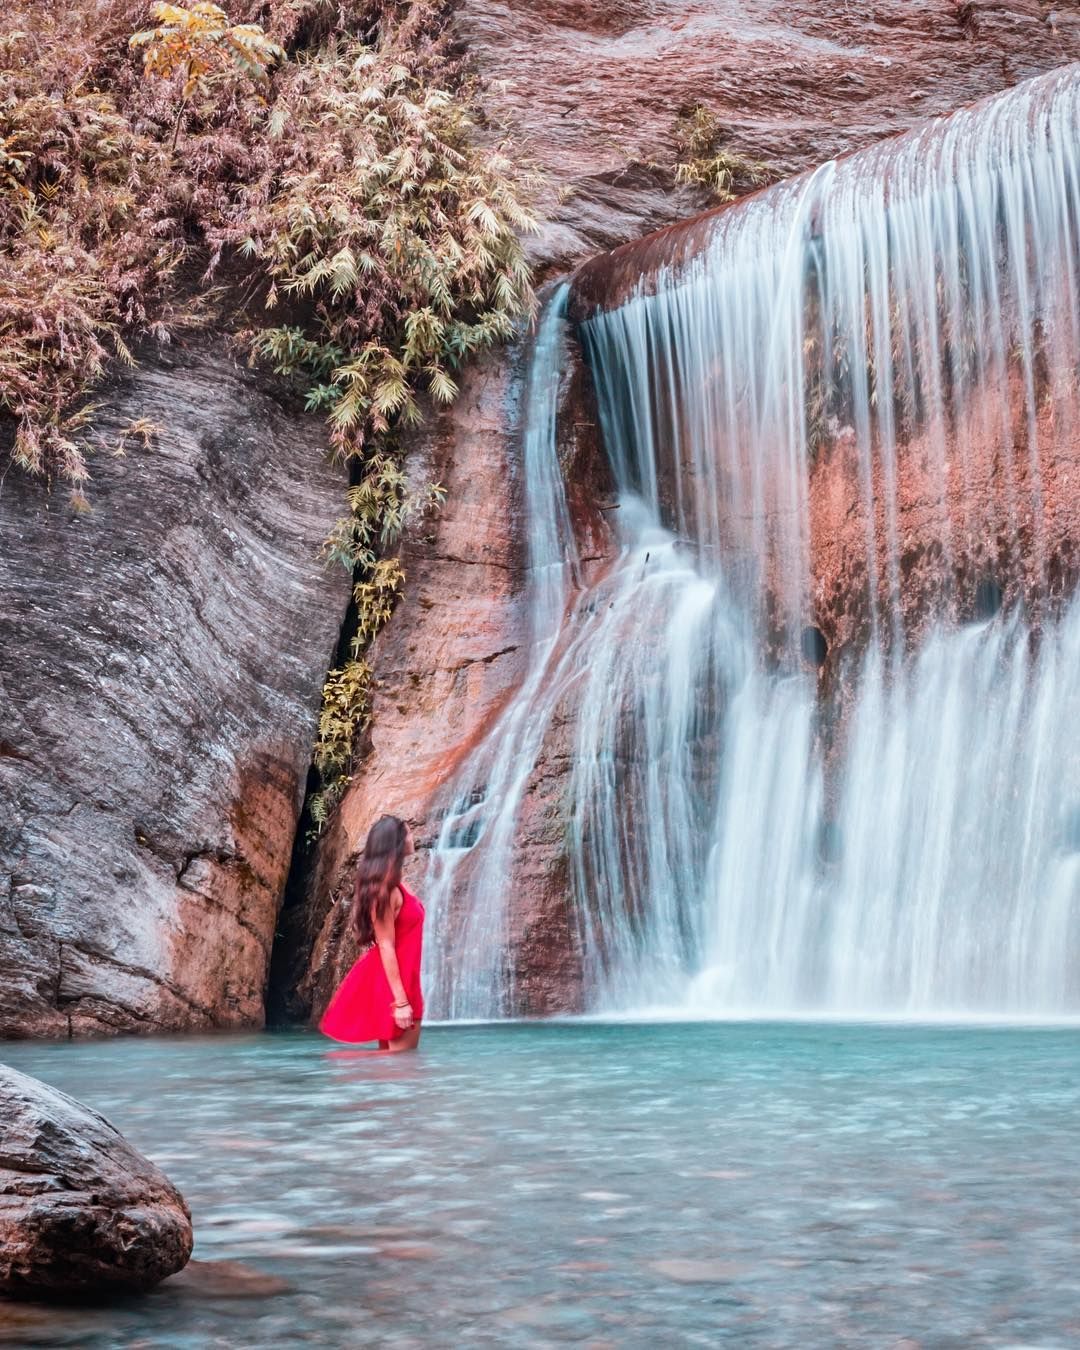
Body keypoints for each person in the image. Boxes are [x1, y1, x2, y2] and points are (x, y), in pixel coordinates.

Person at [320, 815, 425, 1053]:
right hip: (396, 986)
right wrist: (401, 1002)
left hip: (402, 980)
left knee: (392, 1066)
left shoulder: (396, 884)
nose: (412, 837)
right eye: (408, 833)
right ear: (395, 843)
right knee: (402, 1067)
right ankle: (350, 1077)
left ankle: (358, 1081)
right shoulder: (385, 891)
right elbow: (386, 944)